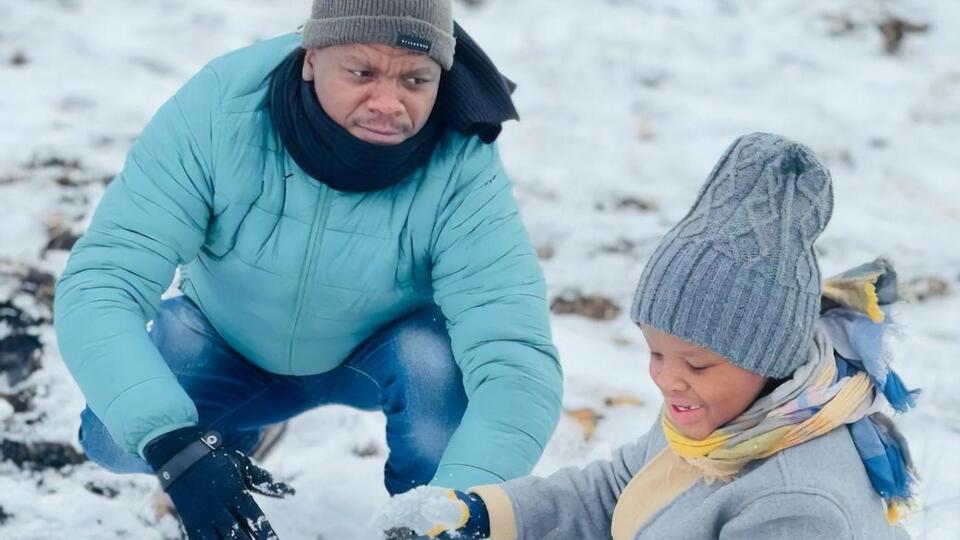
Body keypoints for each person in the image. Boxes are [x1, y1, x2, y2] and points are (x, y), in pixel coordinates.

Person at [53, 1, 563, 538]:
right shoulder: (219, 111)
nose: (388, 103)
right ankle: (232, 438)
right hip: (229, 335)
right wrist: (175, 445)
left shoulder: (461, 162)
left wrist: (456, 510)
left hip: (387, 353)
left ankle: (418, 513)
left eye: (416, 79)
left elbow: (517, 359)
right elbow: (104, 279)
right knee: (118, 433)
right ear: (311, 57)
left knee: (443, 390)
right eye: (361, 72)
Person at [379, 132, 917, 539]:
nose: (667, 379)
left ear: (768, 357)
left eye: (696, 363)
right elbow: (615, 492)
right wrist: (477, 516)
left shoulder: (797, 502)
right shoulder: (728, 419)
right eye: (656, 352)